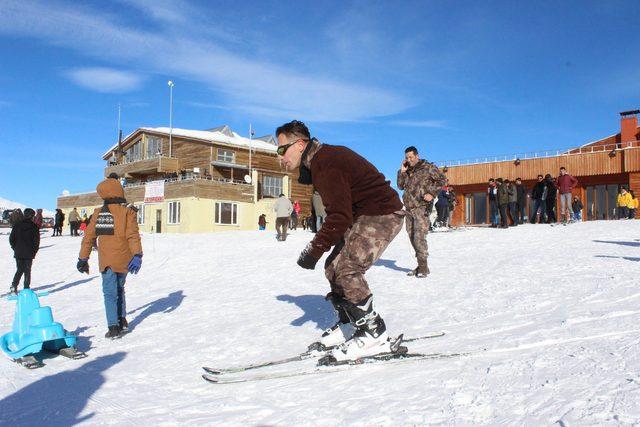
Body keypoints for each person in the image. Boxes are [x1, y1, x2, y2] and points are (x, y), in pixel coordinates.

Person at [276, 120, 404, 361]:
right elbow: (342, 213)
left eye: (282, 149)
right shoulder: (320, 162)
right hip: (365, 215)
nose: (280, 156)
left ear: (300, 144)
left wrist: (314, 249)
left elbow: (339, 215)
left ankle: (374, 334)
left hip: (383, 213)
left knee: (347, 269)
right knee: (333, 267)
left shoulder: (325, 162)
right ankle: (351, 323)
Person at [76, 175, 143, 338]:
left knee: (109, 292)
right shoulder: (128, 212)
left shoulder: (99, 213)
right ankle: (121, 320)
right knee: (120, 289)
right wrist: (137, 254)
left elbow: (89, 237)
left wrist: (83, 258)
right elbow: (132, 235)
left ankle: (113, 326)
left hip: (106, 260)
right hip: (126, 259)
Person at [398, 146, 446, 277]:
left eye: (411, 157)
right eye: (406, 158)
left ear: (417, 156)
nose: (409, 160)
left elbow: (442, 180)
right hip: (408, 208)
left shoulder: (428, 167)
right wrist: (402, 171)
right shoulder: (407, 170)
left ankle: (423, 268)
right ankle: (421, 265)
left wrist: (432, 193)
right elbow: (400, 186)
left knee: (419, 237)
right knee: (412, 236)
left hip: (421, 207)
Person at [9, 208, 40, 295]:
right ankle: (26, 288)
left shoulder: (17, 225)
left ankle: (14, 286)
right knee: (27, 270)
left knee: (19, 269)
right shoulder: (34, 226)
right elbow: (36, 242)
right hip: (29, 252)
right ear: (31, 216)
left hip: (18, 251)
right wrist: (34, 251)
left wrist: (15, 248)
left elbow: (11, 239)